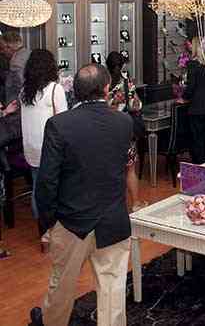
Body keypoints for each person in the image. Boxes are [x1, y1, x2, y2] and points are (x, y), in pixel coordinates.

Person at [30, 64, 133, 326]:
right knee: (113, 292)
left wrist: (48, 223)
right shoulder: (124, 122)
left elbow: (46, 182)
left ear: (74, 91)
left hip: (71, 221)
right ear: (107, 88)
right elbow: (123, 166)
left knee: (61, 287)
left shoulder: (59, 125)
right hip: (113, 219)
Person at [20, 49, 68, 252]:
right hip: (50, 148)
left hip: (31, 148)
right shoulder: (55, 90)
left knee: (37, 189)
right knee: (57, 190)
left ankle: (44, 234)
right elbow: (63, 122)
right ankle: (55, 232)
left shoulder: (24, 92)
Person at [106, 51, 145, 211]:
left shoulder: (102, 84)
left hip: (106, 132)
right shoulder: (126, 83)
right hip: (125, 131)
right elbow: (137, 105)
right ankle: (135, 203)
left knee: (110, 170)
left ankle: (113, 205)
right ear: (122, 65)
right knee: (130, 169)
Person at [181, 37, 205, 164]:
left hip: (196, 108)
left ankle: (199, 164)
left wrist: (184, 97)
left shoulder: (193, 65)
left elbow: (191, 87)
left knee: (197, 138)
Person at [3, 31, 30, 103]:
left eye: (3, 48)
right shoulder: (28, 52)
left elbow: (22, 85)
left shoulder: (15, 62)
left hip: (17, 103)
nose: (2, 51)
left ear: (9, 47)